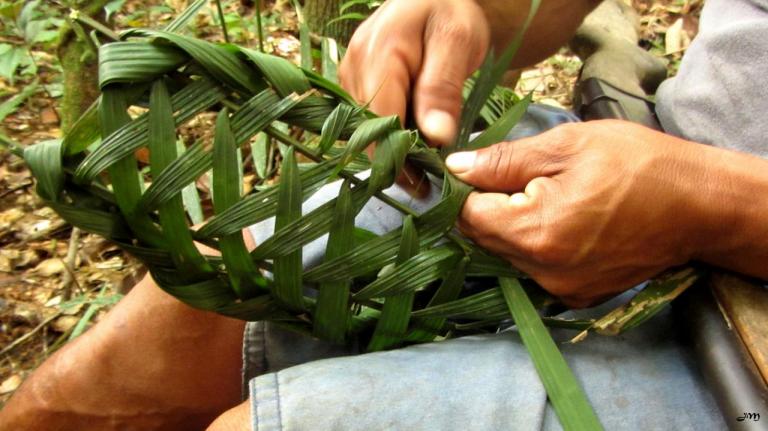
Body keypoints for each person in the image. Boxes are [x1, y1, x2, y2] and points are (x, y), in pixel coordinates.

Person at [1, 0, 767, 429]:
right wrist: (475, 13)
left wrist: (719, 206)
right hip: (620, 155)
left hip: (749, 343)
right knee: (78, 394)